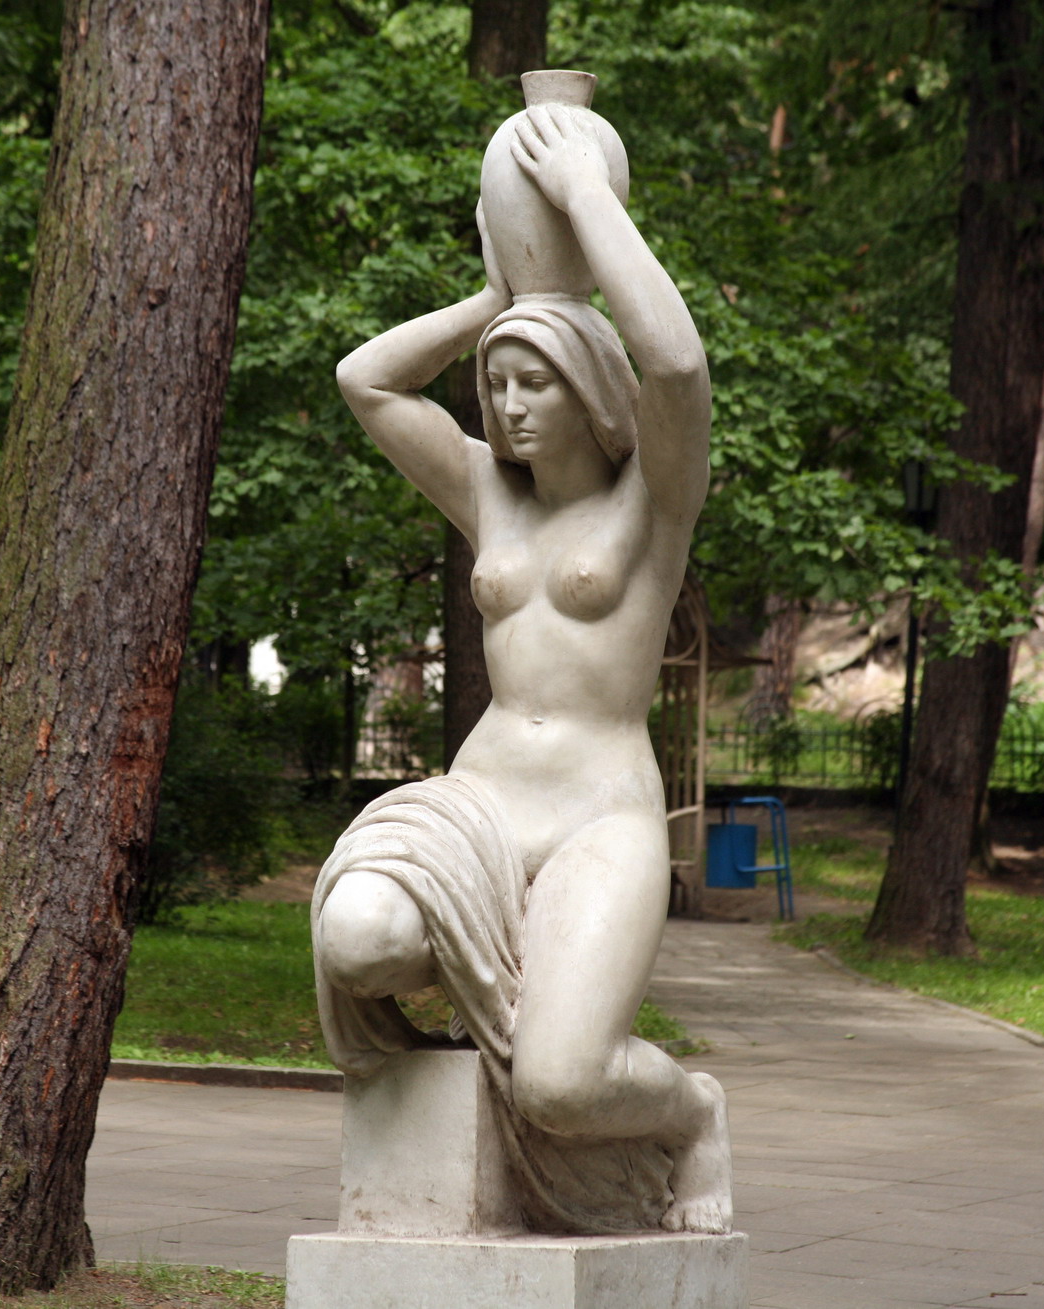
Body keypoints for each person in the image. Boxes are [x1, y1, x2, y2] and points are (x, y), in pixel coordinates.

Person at [312, 103, 730, 1235]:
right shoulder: (485, 492)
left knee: (562, 1083)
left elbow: (676, 363)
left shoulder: (654, 501)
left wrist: (587, 198)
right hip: (482, 806)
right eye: (495, 384)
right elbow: (366, 381)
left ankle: (691, 1111)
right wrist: (492, 305)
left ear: (590, 389)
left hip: (598, 814)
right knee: (358, 937)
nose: (504, 404)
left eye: (530, 381)